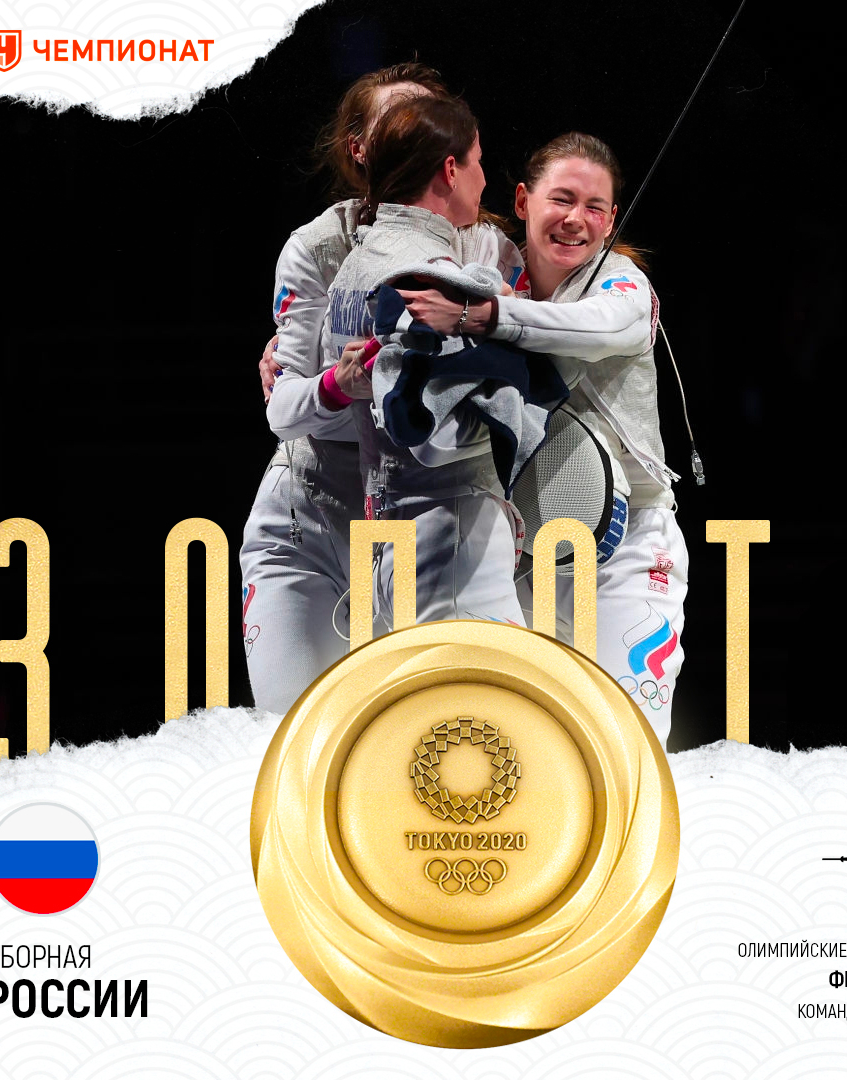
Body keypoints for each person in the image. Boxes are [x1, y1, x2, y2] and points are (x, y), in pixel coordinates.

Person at [240, 66, 525, 714]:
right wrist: (336, 385)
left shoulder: (485, 246)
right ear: (361, 147)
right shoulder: (316, 247)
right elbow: (290, 410)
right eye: (400, 123)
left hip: (417, 527)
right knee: (299, 738)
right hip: (312, 522)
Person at [393, 133, 687, 748]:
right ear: (524, 201)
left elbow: (592, 328)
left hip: (630, 551)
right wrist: (301, 357)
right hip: (524, 552)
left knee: (625, 746)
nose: (576, 218)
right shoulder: (490, 269)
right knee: (525, 749)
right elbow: (399, 302)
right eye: (562, 199)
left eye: (595, 206)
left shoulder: (622, 287)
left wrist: (484, 318)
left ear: (611, 220)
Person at [324, 94, 529, 629]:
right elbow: (435, 433)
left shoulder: (353, 266)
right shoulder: (432, 276)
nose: (484, 178)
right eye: (478, 161)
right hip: (452, 536)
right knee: (486, 688)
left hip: (388, 539)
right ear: (450, 170)